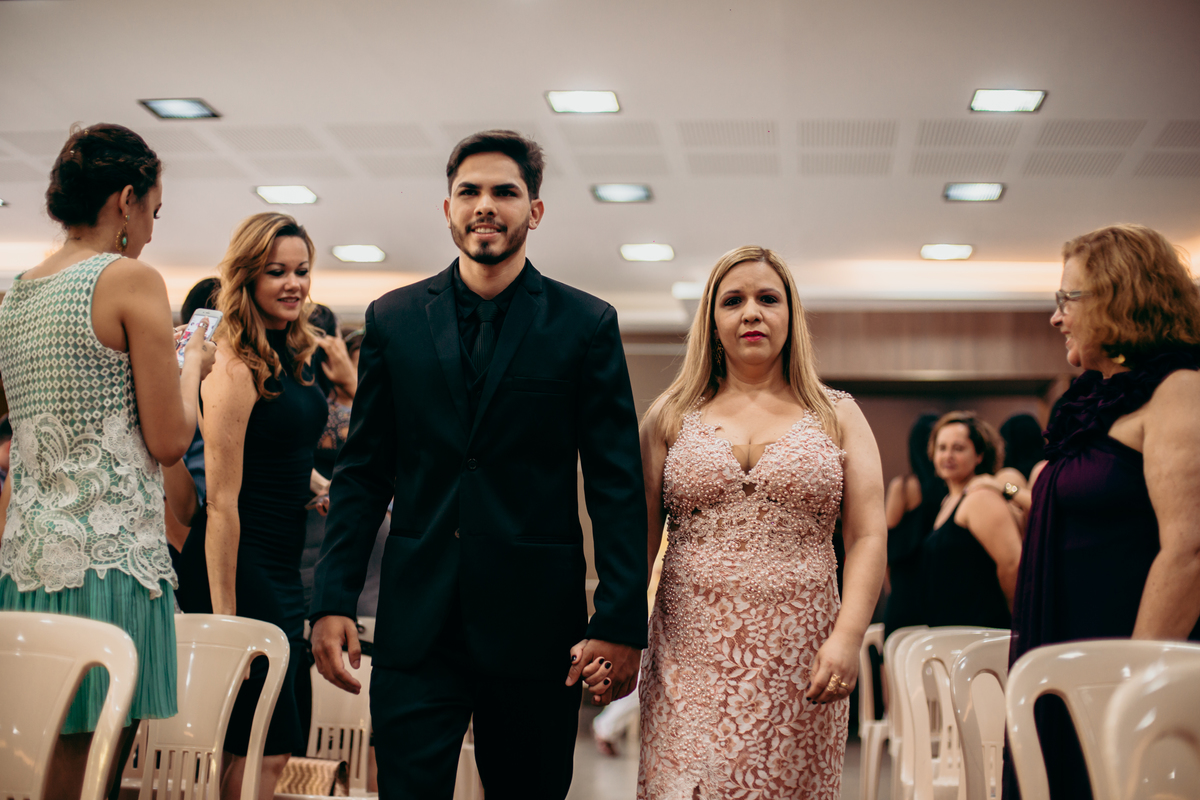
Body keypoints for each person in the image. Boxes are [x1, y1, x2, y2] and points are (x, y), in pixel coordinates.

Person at [309, 130, 648, 800]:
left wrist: (618, 621)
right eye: (469, 191)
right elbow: (364, 472)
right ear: (448, 208)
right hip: (418, 621)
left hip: (536, 626)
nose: (485, 205)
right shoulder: (393, 320)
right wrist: (332, 597)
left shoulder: (585, 324)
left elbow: (615, 483)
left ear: (535, 211)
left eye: (504, 192)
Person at [0, 123, 215, 799]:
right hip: (109, 561)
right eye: (154, 211)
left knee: (35, 763)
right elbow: (169, 440)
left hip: (30, 563)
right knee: (91, 774)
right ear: (126, 200)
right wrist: (193, 366)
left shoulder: (16, 293)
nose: (150, 229)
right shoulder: (129, 279)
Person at [636, 245, 888, 799]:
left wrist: (848, 637)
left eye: (768, 298)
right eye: (733, 301)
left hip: (800, 651)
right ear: (712, 320)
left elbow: (868, 534)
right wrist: (621, 631)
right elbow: (641, 538)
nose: (751, 312)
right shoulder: (669, 415)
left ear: (790, 314)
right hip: (688, 650)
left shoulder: (837, 414)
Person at [1004, 224, 1200, 800]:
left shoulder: (1180, 389)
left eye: (1067, 298)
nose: (1056, 317)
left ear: (1119, 296)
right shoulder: (1093, 399)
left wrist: (1132, 683)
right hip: (1069, 644)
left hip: (1123, 661)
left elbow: (1189, 550)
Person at [200, 213, 329, 800]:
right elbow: (221, 502)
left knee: (269, 742)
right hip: (246, 564)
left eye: (302, 270)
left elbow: (279, 447)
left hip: (284, 563)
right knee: (266, 745)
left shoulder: (292, 355)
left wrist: (318, 483)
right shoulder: (233, 365)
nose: (293, 284)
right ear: (248, 277)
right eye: (277, 272)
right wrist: (226, 619)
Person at [920, 412, 1021, 629]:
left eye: (958, 448)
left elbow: (1012, 564)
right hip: (952, 630)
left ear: (979, 455)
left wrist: (1017, 624)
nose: (948, 456)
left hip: (981, 632)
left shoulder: (980, 497)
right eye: (942, 448)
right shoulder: (949, 501)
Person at [882, 413, 946, 637]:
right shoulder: (952, 489)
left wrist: (891, 589)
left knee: (900, 653)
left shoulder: (903, 487)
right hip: (939, 587)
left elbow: (886, 543)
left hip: (905, 588)